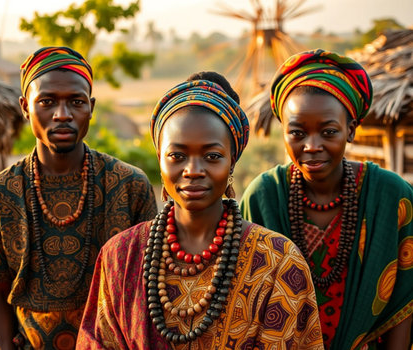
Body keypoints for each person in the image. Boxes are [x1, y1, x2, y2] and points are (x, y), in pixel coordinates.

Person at [76, 71, 324, 349]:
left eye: (212, 156)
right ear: (160, 158)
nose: (193, 171)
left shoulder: (278, 262)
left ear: (232, 161)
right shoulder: (119, 256)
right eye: (177, 156)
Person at [0, 46, 157, 350]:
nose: (62, 114)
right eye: (47, 101)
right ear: (25, 107)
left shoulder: (129, 186)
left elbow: (147, 293)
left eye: (76, 102)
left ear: (91, 107)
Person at [240, 49, 413, 349]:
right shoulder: (263, 198)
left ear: (351, 130)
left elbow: (404, 301)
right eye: (297, 133)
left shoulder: (391, 197)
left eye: (328, 131)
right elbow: (246, 305)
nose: (312, 146)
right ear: (283, 132)